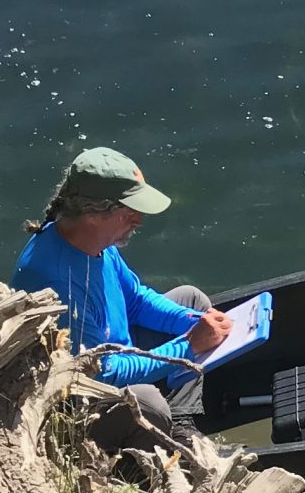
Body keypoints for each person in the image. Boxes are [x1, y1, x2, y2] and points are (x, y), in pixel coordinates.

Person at [12, 146, 230, 455]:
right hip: (75, 399)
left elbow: (137, 301)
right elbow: (101, 373)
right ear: (92, 213)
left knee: (192, 301)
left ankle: (179, 426)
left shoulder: (96, 241)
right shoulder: (58, 282)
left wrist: (196, 324)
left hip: (109, 353)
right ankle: (140, 463)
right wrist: (189, 346)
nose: (139, 220)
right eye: (129, 212)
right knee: (147, 403)